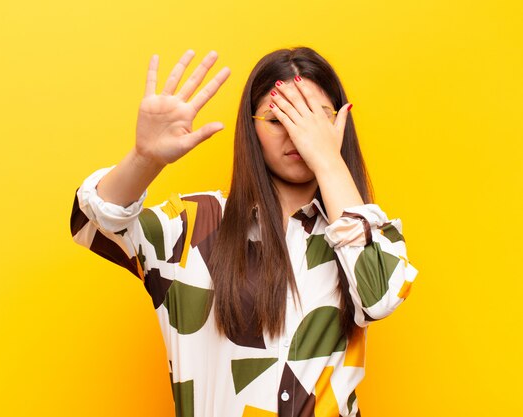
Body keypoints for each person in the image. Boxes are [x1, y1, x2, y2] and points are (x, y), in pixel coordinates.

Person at [69, 47, 419, 417]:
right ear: (251, 128)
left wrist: (329, 160)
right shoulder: (192, 226)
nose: (297, 135)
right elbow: (91, 224)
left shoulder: (363, 235)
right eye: (277, 118)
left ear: (340, 124)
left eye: (314, 120)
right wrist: (145, 158)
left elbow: (380, 296)